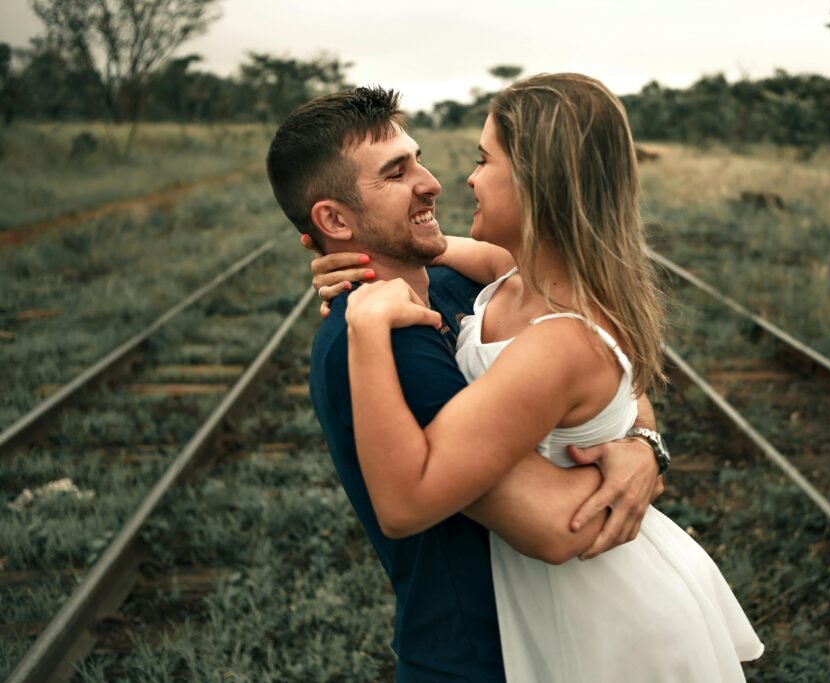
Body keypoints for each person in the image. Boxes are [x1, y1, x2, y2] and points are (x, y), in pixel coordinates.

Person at [334, 74, 764, 682]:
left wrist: (367, 327)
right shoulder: (520, 271)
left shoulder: (559, 343)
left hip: (608, 618)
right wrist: (357, 253)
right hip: (562, 604)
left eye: (484, 160)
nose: (467, 179)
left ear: (537, 182)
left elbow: (405, 505)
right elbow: (441, 247)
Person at [266, 86, 666, 682]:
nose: (433, 182)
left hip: (554, 641)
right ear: (334, 219)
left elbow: (599, 368)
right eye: (397, 173)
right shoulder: (391, 345)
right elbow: (563, 523)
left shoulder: (461, 294)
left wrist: (642, 447)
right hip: (480, 658)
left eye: (419, 159)